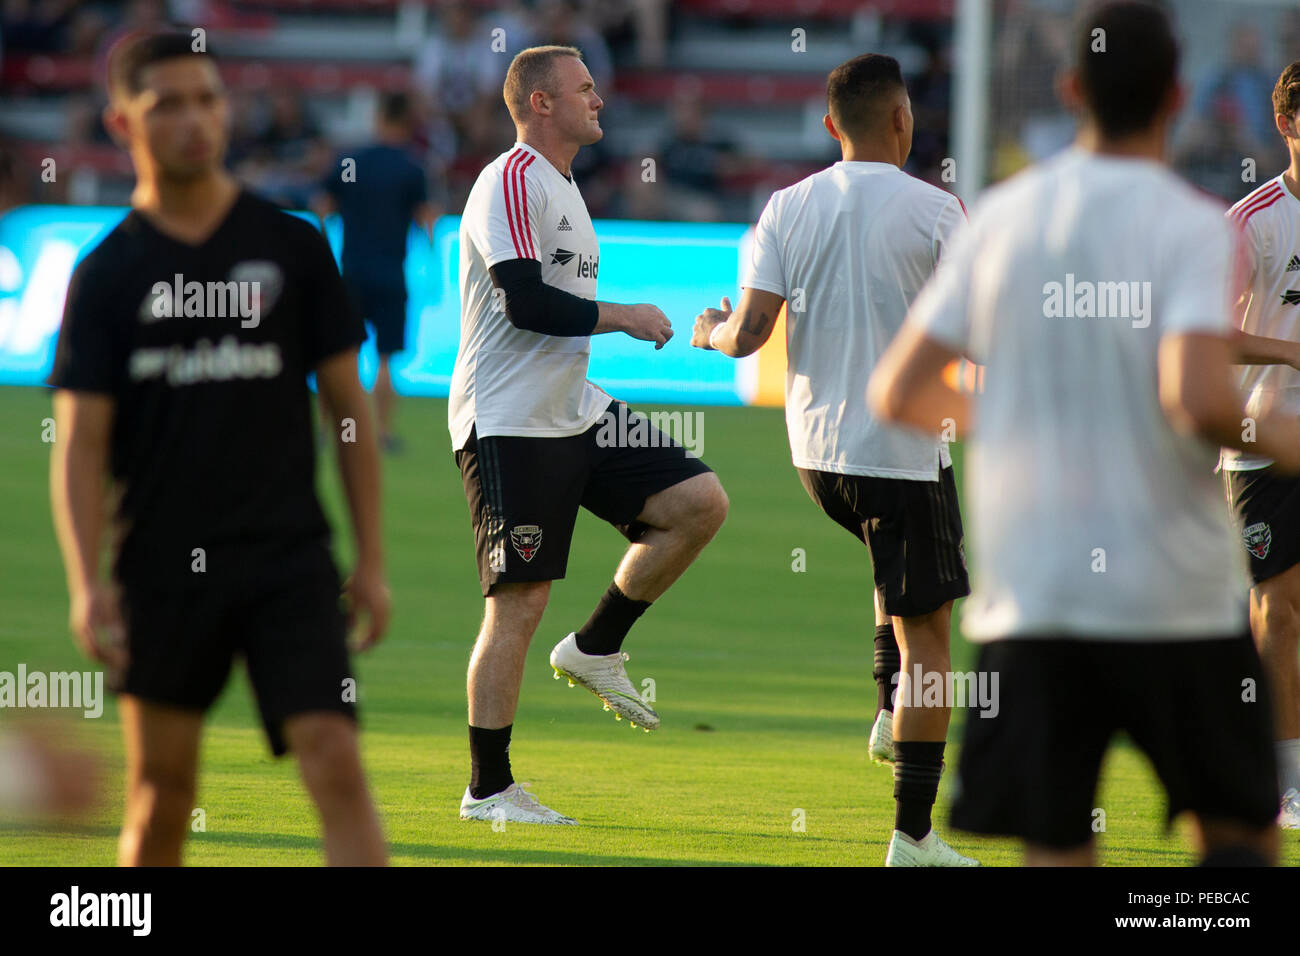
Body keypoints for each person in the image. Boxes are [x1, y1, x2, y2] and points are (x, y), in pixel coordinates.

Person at [869, 0, 1295, 866]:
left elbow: (901, 389)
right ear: (1178, 97)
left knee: (1056, 844)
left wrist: (1025, 424)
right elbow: (1199, 400)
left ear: (1070, 89)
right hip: (1174, 593)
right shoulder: (1187, 222)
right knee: (1240, 837)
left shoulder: (1001, 216)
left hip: (1038, 593)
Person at [47, 31, 390, 866]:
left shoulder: (293, 247)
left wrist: (370, 558)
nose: (195, 120)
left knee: (337, 765)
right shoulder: (108, 273)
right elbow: (81, 445)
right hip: (159, 569)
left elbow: (349, 411)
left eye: (208, 98)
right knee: (162, 797)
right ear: (123, 122)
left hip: (288, 561)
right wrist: (87, 582)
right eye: (168, 105)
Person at [691, 53, 975, 867]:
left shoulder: (785, 206)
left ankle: (889, 711)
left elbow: (747, 335)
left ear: (829, 124)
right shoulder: (936, 210)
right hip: (900, 449)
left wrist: (708, 330)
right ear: (902, 120)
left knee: (892, 567)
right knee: (931, 639)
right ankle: (914, 834)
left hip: (819, 458)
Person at [451, 44, 728, 825]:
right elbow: (526, 305)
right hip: (509, 420)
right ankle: (488, 789)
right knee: (518, 603)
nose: (598, 97)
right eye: (582, 87)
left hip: (572, 406)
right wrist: (627, 316)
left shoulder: (564, 184)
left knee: (698, 502)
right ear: (541, 103)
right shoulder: (509, 179)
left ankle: (596, 645)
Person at [1221, 59, 1300, 830]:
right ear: (1286, 125)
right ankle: (1283, 780)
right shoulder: (1253, 219)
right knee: (1277, 611)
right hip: (1259, 438)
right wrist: (1287, 353)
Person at [313, 90, 438, 452]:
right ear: (407, 121)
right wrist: (432, 260)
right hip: (390, 275)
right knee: (385, 358)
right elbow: (426, 219)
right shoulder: (413, 166)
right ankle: (382, 433)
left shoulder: (351, 160)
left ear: (379, 118)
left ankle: (327, 429)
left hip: (350, 273)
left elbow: (322, 207)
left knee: (341, 355)